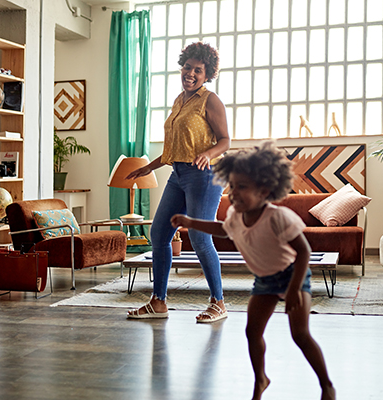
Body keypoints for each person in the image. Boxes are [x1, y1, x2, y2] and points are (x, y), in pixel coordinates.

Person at [171, 142, 335, 400]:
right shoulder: (237, 215)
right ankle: (261, 379)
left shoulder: (278, 217)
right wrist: (191, 222)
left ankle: (326, 385)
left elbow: (304, 252)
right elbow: (224, 230)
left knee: (300, 334)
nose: (234, 193)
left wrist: (293, 290)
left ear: (265, 190)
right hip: (265, 280)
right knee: (252, 331)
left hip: (293, 275)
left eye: (242, 187)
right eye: (232, 186)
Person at [126, 42, 230, 323]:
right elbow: (176, 148)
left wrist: (208, 154)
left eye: (198, 70)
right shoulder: (179, 101)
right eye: (188, 67)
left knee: (198, 236)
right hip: (179, 175)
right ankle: (158, 302)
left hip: (205, 176)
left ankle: (218, 303)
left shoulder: (211, 100)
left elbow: (225, 141)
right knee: (159, 234)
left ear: (207, 74)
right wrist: (149, 166)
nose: (191, 73)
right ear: (182, 67)